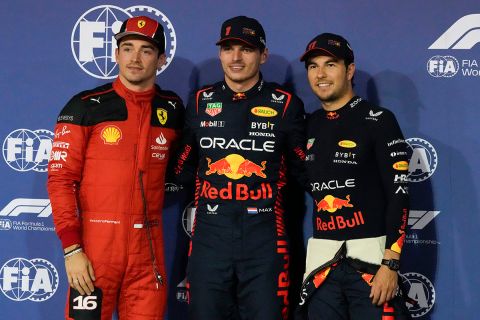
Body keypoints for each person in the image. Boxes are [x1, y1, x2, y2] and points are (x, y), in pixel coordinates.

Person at [47, 16, 184, 320]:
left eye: (146, 50)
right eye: (128, 48)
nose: (135, 58)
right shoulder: (85, 106)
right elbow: (60, 180)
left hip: (148, 252)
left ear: (161, 59)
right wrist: (72, 250)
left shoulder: (172, 109)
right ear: (115, 53)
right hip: (95, 251)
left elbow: (183, 166)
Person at [173, 15, 307, 320]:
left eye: (245, 49)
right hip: (210, 237)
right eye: (228, 48)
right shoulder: (198, 102)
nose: (235, 57)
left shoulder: (286, 104)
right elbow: (181, 168)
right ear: (220, 53)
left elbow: (306, 171)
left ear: (263, 55)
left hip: (265, 239)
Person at [297, 33, 411, 319]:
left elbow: (399, 194)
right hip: (323, 269)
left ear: (349, 70)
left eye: (330, 64)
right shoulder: (306, 126)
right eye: (313, 66)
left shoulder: (379, 120)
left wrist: (391, 264)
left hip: (372, 267)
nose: (320, 74)